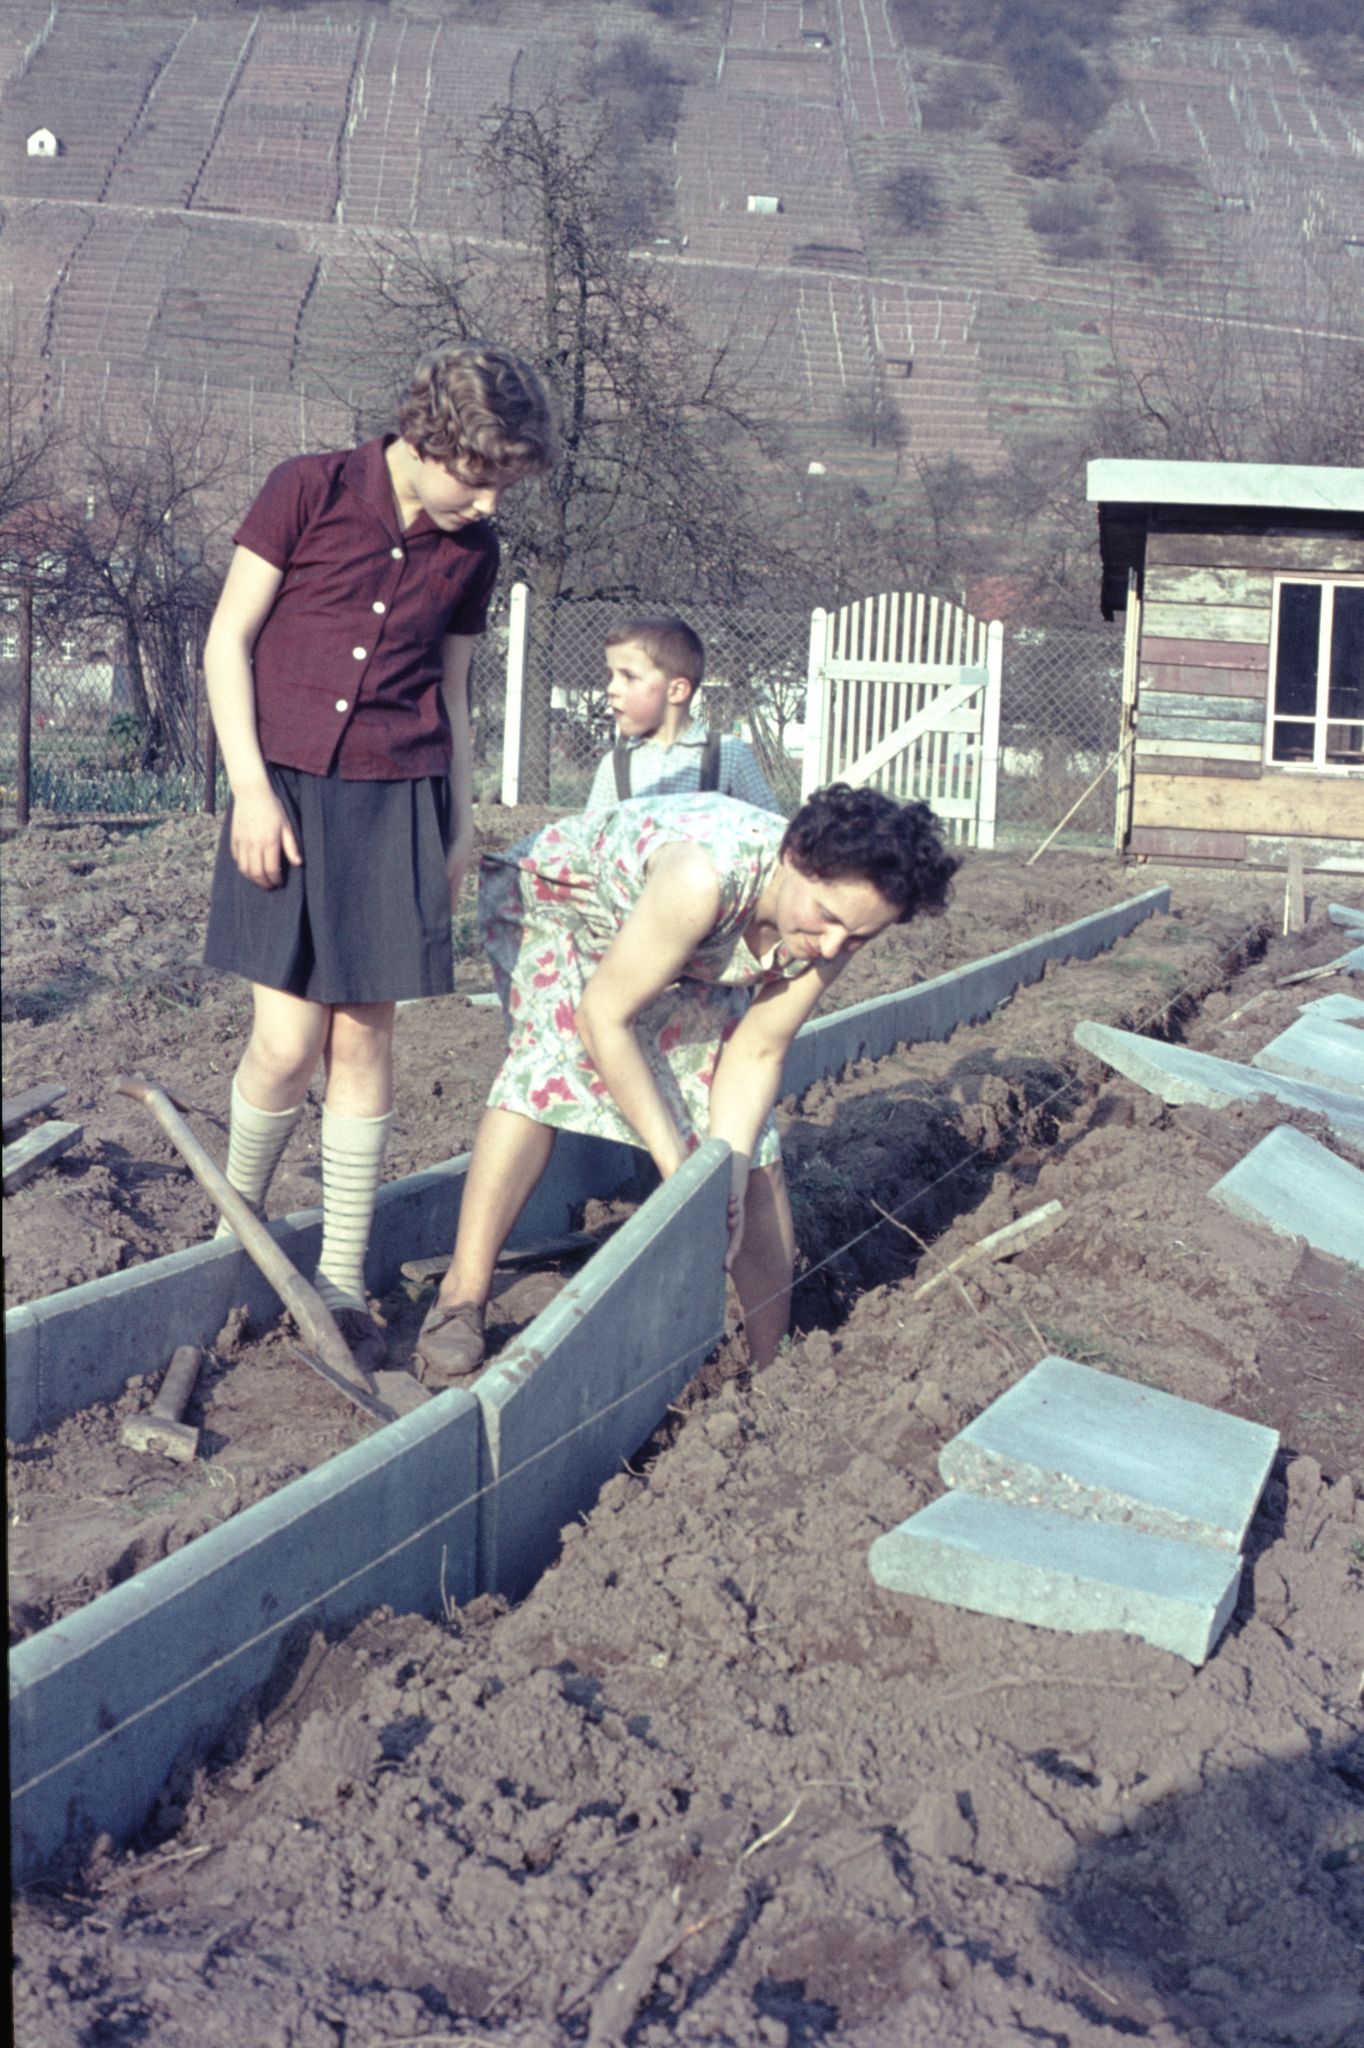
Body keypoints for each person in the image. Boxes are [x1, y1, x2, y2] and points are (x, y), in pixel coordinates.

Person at [202, 341, 556, 1373]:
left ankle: (343, 1275)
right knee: (283, 1041)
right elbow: (229, 642)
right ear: (429, 442)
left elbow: (448, 696)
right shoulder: (304, 490)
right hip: (286, 795)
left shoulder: (471, 553)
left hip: (398, 800)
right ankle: (238, 1237)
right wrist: (252, 788)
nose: (489, 505)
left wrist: (455, 823)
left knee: (362, 1039)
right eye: (479, 479)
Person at [414, 782, 958, 1384]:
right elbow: (604, 1016)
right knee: (547, 1067)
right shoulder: (703, 876)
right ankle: (461, 1298)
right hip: (562, 907)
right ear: (795, 858)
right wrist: (677, 1164)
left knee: (755, 1158)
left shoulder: (835, 927)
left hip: (694, 946)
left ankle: (771, 1365)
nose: (833, 946)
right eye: (828, 920)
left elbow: (756, 1051)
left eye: (857, 937)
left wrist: (723, 1166)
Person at [582, 615, 782, 814]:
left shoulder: (729, 757)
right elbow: (591, 839)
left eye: (629, 677)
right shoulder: (615, 766)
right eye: (611, 676)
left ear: (676, 691)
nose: (611, 688)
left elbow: (772, 835)